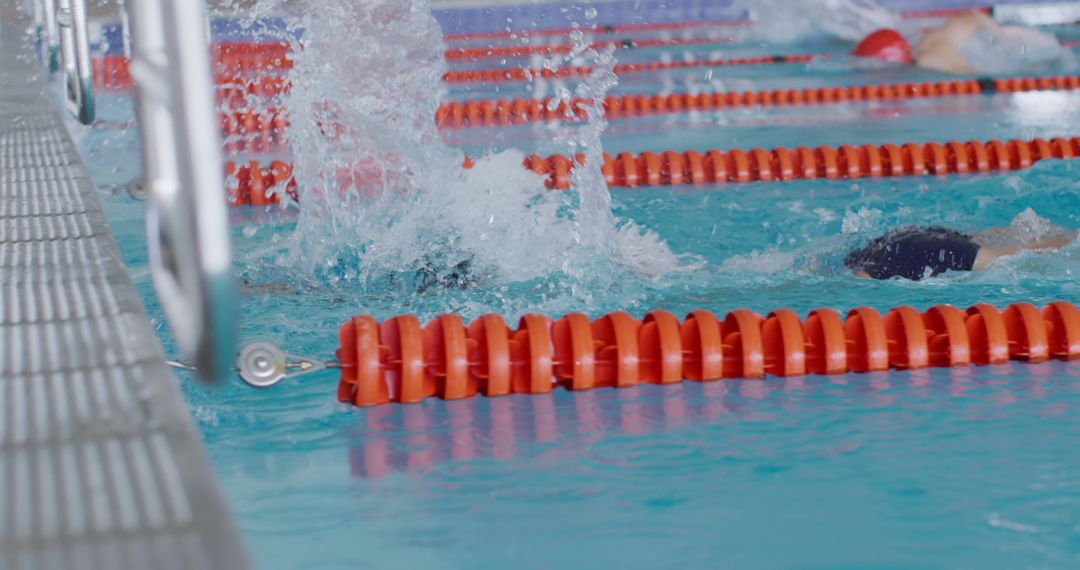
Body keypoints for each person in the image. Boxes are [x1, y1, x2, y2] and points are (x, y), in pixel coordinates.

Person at [852, 10, 1074, 74]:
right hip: (1005, 32)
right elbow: (972, 16)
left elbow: (978, 73)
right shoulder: (927, 39)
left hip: (1037, 52)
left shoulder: (930, 60)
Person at [844, 224, 1077, 281]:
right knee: (1028, 245)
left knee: (1022, 251)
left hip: (914, 250)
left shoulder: (855, 267)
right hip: (914, 239)